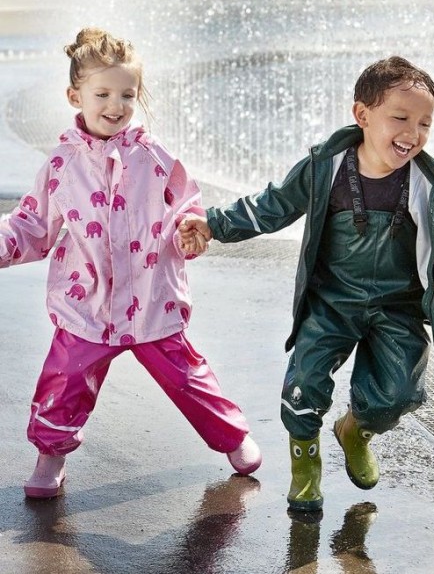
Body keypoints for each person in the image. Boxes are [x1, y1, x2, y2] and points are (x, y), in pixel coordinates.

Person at [178, 56, 434, 512]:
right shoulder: (327, 167)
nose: (412, 133)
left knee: (398, 396)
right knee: (304, 386)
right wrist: (214, 223)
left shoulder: (427, 185)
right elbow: (273, 205)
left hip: (397, 307)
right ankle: (305, 468)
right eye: (400, 118)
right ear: (362, 115)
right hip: (331, 302)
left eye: (424, 124)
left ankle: (355, 429)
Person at [0, 28, 261, 500]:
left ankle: (232, 436)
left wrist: (189, 229)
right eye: (102, 94)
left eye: (127, 94)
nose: (116, 105)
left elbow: (186, 205)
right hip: (87, 303)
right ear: (75, 96)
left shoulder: (155, 157)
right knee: (64, 380)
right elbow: (33, 224)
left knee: (188, 377)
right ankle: (51, 454)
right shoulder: (62, 164)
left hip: (152, 298)